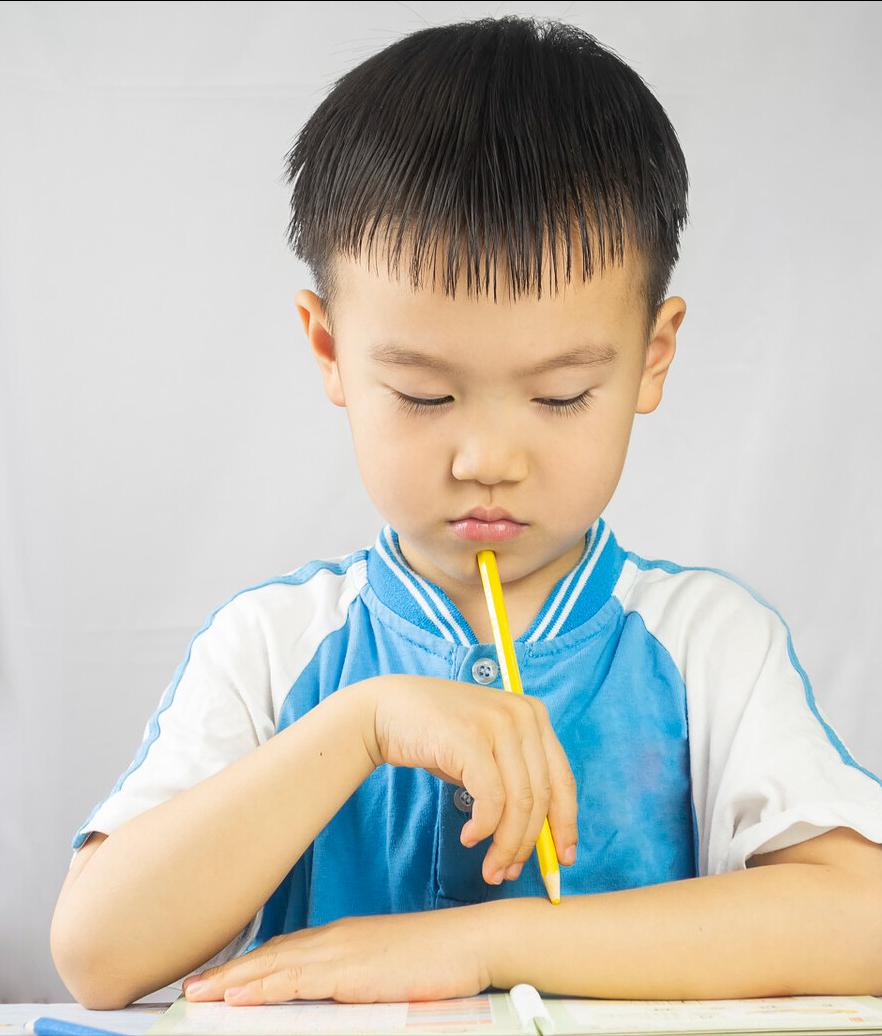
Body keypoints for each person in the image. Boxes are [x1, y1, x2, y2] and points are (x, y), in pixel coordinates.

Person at [50, 14, 882, 1011]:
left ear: (654, 356)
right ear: (328, 350)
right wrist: (362, 725)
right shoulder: (276, 649)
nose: (488, 459)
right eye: (426, 396)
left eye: (562, 395)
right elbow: (96, 952)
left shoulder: (709, 647)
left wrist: (484, 943)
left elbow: (862, 918)